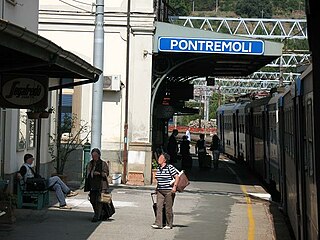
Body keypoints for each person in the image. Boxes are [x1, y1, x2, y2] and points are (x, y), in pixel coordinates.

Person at [84, 148, 114, 222]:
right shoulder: (90, 164)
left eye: (96, 155)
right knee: (92, 200)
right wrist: (90, 173)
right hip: (92, 185)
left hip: (101, 185)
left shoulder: (103, 164)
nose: (94, 157)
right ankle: (99, 214)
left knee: (99, 201)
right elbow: (87, 173)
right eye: (93, 155)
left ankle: (97, 216)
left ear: (99, 155)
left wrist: (100, 173)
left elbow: (106, 173)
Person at [152, 152, 180, 230]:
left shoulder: (169, 167)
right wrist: (156, 188)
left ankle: (169, 223)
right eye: (159, 158)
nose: (159, 159)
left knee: (168, 208)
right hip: (160, 190)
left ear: (165, 160)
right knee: (159, 206)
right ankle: (158, 223)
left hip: (169, 190)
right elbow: (158, 180)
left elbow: (177, 177)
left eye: (161, 158)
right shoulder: (159, 168)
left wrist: (174, 187)